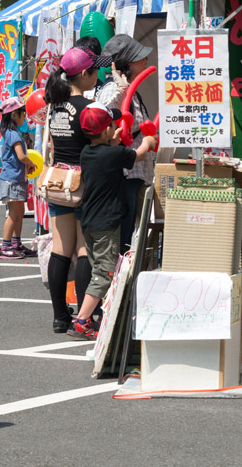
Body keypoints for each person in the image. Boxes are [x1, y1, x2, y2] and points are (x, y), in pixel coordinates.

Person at [72, 103, 156, 339]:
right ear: (107, 130)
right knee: (105, 272)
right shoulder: (113, 154)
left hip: (89, 222)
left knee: (99, 269)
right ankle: (81, 321)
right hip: (106, 223)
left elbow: (109, 153)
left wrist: (114, 140)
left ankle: (91, 316)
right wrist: (147, 142)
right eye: (112, 125)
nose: (115, 127)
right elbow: (137, 155)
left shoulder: (87, 153)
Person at [42, 46, 111, 333]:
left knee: (60, 249)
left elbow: (54, 146)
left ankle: (60, 316)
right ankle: (86, 315)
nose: (98, 75)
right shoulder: (87, 108)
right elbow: (100, 142)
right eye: (95, 71)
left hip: (59, 180)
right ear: (84, 74)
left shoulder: (55, 106)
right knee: (84, 249)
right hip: (85, 182)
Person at [96, 34, 154, 253]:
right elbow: (99, 118)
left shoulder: (130, 89)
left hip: (134, 172)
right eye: (140, 57)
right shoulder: (115, 89)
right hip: (124, 173)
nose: (145, 60)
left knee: (131, 232)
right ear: (129, 62)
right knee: (124, 236)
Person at [0, 97, 35, 260]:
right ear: (13, 115)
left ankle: (16, 243)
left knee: (19, 212)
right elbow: (21, 156)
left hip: (17, 180)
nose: (24, 116)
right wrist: (30, 162)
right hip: (12, 181)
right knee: (13, 214)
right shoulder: (14, 135)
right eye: (22, 113)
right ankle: (5, 246)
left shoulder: (11, 133)